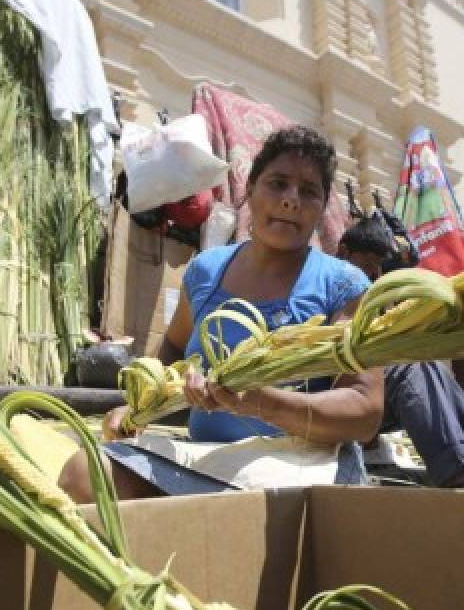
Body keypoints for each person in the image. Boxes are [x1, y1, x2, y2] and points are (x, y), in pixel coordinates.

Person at [59, 125, 383, 502]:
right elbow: (173, 350)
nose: (291, 200)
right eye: (278, 183)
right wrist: (137, 408)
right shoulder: (206, 273)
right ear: (250, 190)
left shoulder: (343, 286)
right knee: (85, 474)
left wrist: (263, 403)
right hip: (210, 463)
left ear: (322, 209)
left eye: (309, 191)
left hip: (304, 469)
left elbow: (364, 411)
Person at [335, 216, 464, 488]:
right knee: (408, 369)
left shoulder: (371, 289)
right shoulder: (331, 282)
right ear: (344, 252)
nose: (371, 273)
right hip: (341, 398)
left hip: (373, 394)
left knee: (429, 365)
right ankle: (453, 471)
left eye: (376, 267)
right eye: (367, 264)